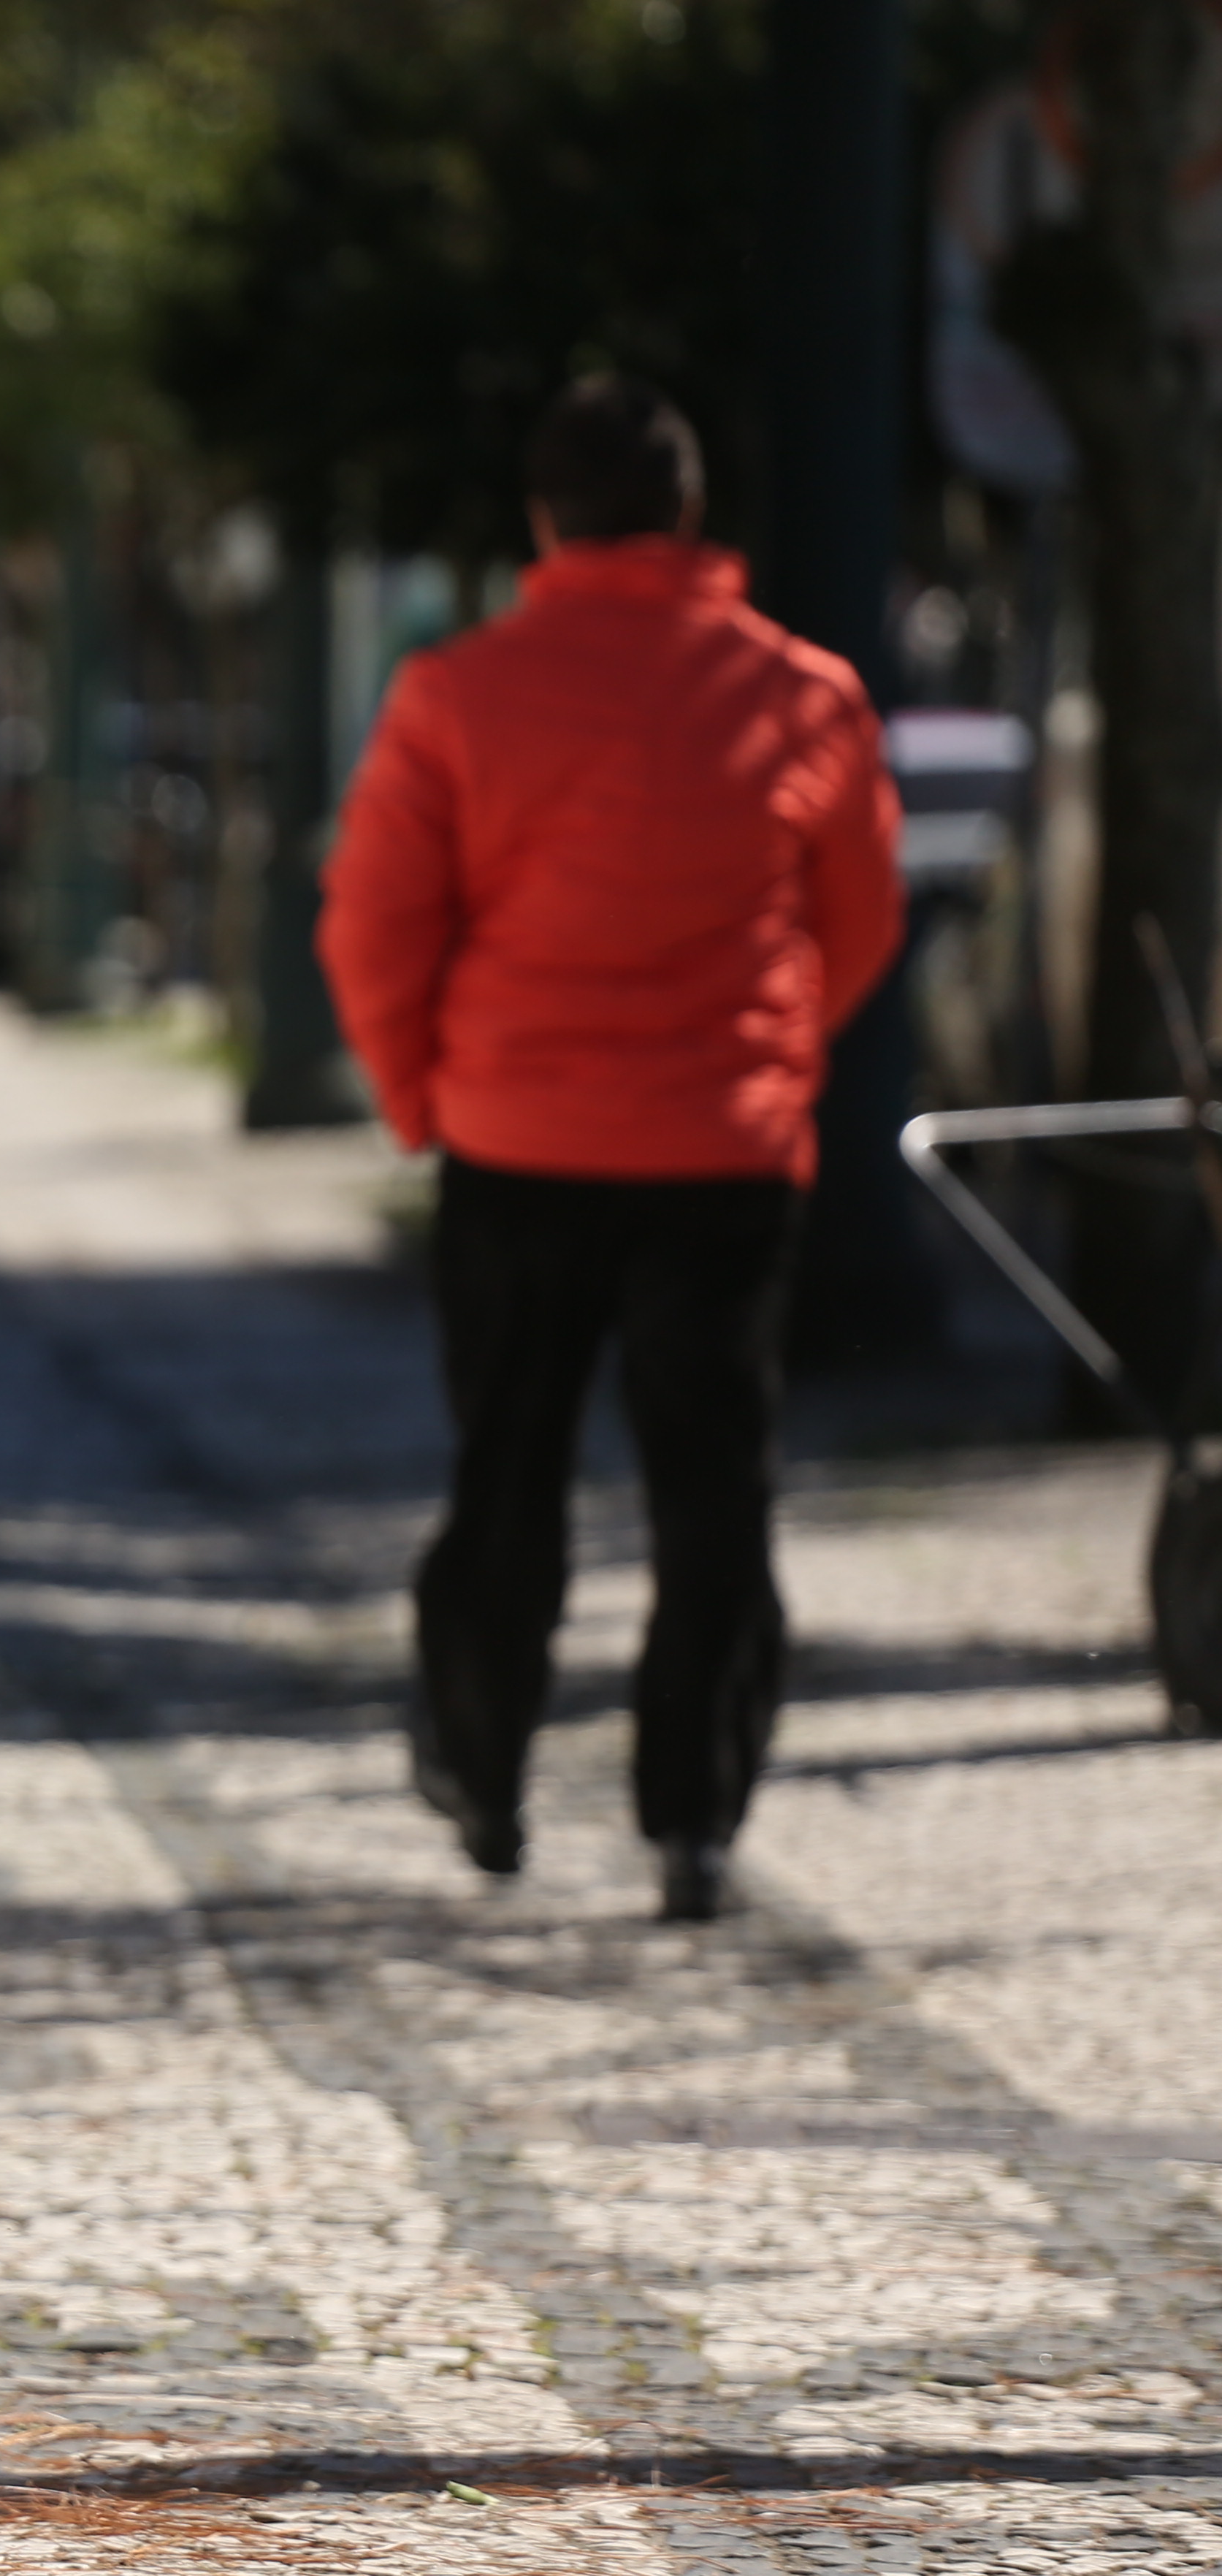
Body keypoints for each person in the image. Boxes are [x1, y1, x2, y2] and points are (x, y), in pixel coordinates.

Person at [318, 375, 902, 1924]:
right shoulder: (805, 694)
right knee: (715, 1485)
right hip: (720, 1158)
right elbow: (856, 923)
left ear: (542, 523)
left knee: (508, 1467)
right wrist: (770, 1060)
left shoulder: (456, 693)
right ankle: (692, 1812)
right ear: (693, 516)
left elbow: (374, 921)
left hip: (517, 1143)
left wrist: (418, 1095)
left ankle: (486, 1770)